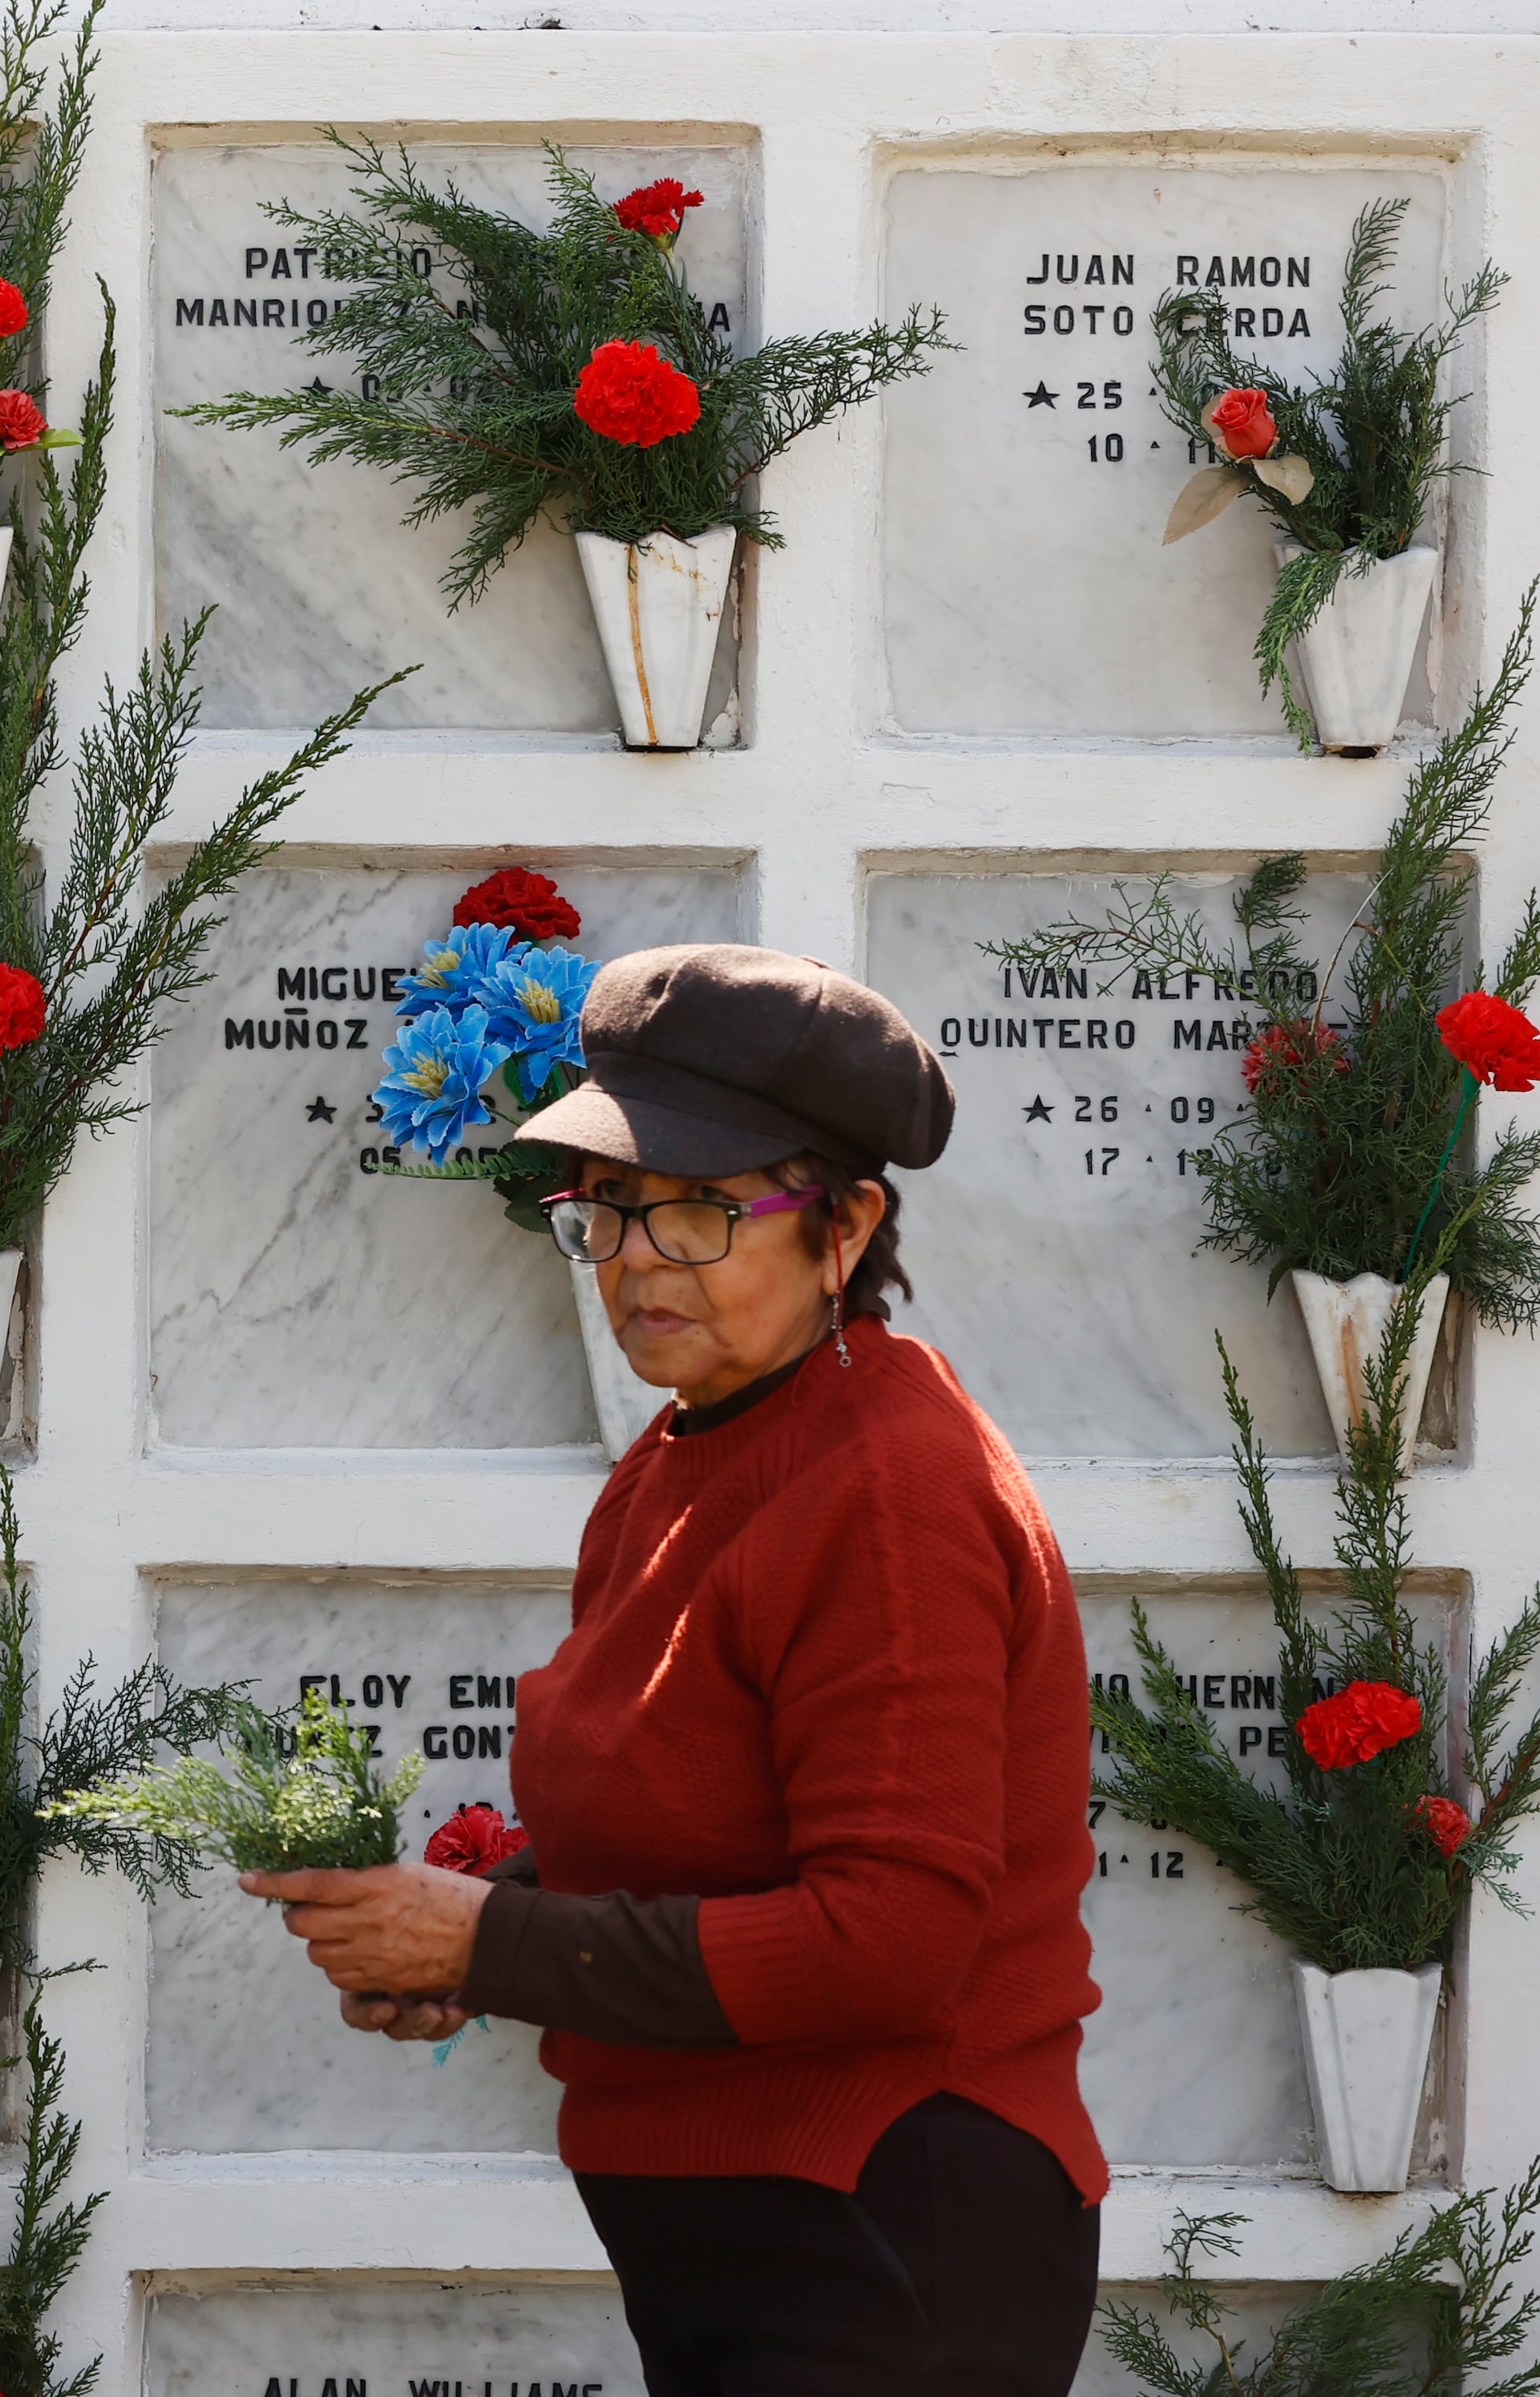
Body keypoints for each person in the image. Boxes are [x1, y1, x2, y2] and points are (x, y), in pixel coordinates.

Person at [241, 946, 1103, 2397]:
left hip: (886, 2236)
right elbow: (715, 1844)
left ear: (846, 1224)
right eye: (616, 1210)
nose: (641, 1259)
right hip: (744, 2241)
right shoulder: (684, 1456)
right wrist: (479, 1935)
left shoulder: (889, 1488)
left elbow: (889, 1934)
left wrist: (484, 1943)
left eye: (705, 1210)